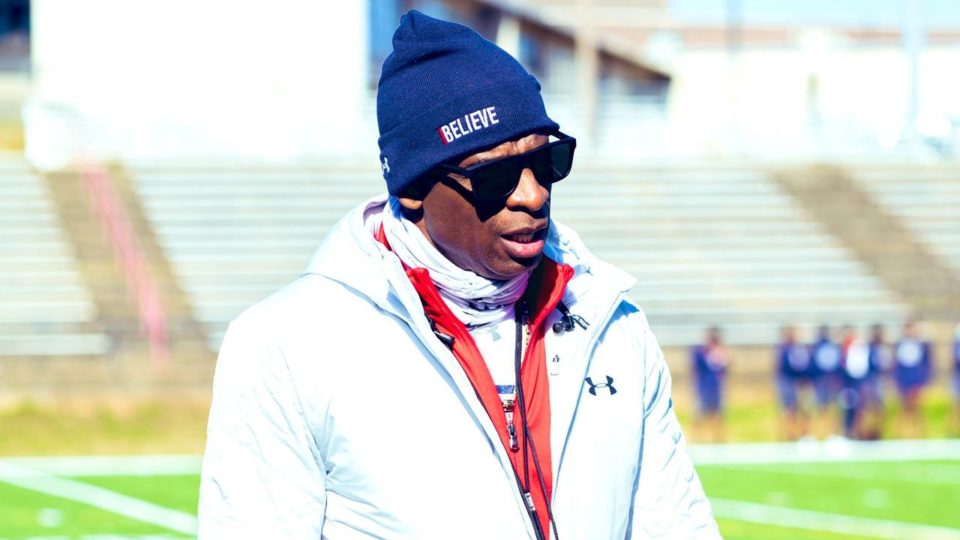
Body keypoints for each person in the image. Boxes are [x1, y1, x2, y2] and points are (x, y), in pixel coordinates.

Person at [198, 11, 718, 539]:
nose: (532, 195)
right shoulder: (286, 346)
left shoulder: (613, 324)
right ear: (411, 188)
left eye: (546, 163)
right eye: (495, 175)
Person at [893, 319, 933, 437]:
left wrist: (924, 380)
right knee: (903, 409)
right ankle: (902, 434)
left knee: (918, 409)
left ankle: (921, 434)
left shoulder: (922, 345)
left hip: (917, 380)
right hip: (904, 381)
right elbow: (896, 365)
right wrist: (897, 381)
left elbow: (927, 364)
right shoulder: (899, 345)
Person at [691, 326, 730, 443]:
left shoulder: (721, 352)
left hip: (716, 388)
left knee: (718, 416)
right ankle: (695, 440)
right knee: (699, 416)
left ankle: (718, 441)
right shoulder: (700, 352)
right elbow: (696, 367)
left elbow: (725, 369)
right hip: (703, 387)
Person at [809, 324, 842, 437]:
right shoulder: (817, 347)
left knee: (833, 408)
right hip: (820, 381)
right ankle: (820, 433)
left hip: (830, 381)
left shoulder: (830, 346)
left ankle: (833, 433)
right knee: (821, 408)